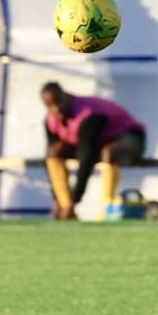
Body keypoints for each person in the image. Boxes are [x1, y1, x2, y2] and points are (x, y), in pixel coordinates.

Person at [41, 81, 146, 220]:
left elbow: (86, 156)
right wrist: (59, 201)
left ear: (65, 97)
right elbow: (50, 157)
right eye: (51, 107)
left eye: (58, 103)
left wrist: (75, 199)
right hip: (97, 144)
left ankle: (106, 210)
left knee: (109, 153)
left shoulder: (89, 115)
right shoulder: (50, 120)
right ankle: (65, 205)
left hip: (130, 137)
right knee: (54, 152)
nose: (56, 110)